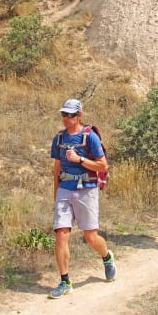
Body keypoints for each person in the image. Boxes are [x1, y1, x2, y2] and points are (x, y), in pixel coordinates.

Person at [48, 99, 116, 298]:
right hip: (65, 189)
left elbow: (103, 166)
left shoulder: (90, 137)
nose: (66, 119)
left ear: (79, 116)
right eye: (64, 115)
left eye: (70, 115)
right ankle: (65, 281)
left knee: (90, 237)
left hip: (87, 189)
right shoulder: (58, 138)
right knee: (61, 233)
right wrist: (56, 194)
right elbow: (56, 169)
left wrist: (80, 160)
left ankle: (106, 256)